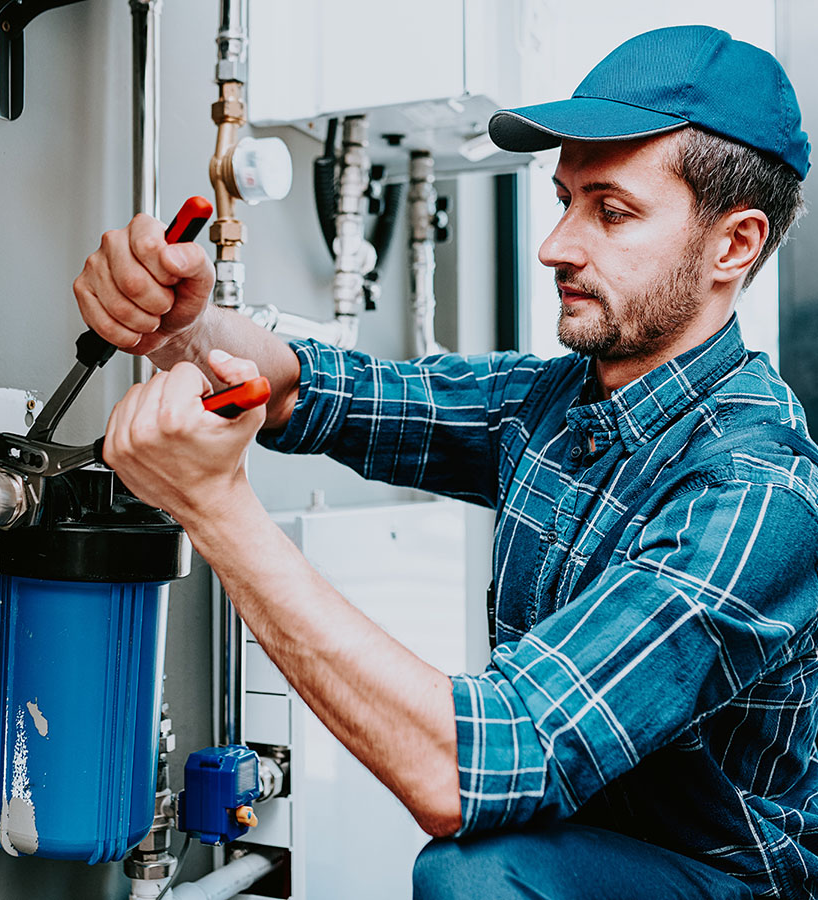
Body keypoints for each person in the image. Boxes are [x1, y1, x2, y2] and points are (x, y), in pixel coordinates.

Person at [73, 25, 818, 900]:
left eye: (611, 212)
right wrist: (185, 330)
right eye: (564, 200)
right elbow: (313, 388)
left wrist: (218, 513)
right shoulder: (559, 401)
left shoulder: (757, 493)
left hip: (721, 881)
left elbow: (474, 770)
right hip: (580, 845)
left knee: (476, 875)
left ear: (733, 245)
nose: (556, 246)